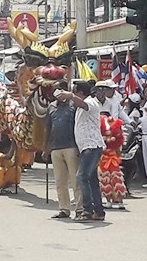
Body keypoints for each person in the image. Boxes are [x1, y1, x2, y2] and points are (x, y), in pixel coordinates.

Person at [56, 81, 106, 221]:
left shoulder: (91, 102)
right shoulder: (79, 107)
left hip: (91, 146)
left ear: (81, 93)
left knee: (81, 176)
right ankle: (99, 211)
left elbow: (83, 104)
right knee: (91, 179)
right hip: (87, 147)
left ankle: (87, 210)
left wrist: (70, 95)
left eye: (75, 92)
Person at [45, 81, 81, 219]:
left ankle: (80, 208)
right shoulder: (51, 107)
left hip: (71, 146)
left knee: (75, 179)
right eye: (55, 90)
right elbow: (48, 128)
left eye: (60, 89)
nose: (57, 92)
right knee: (60, 180)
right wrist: (46, 147)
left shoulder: (73, 106)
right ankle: (64, 209)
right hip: (55, 147)